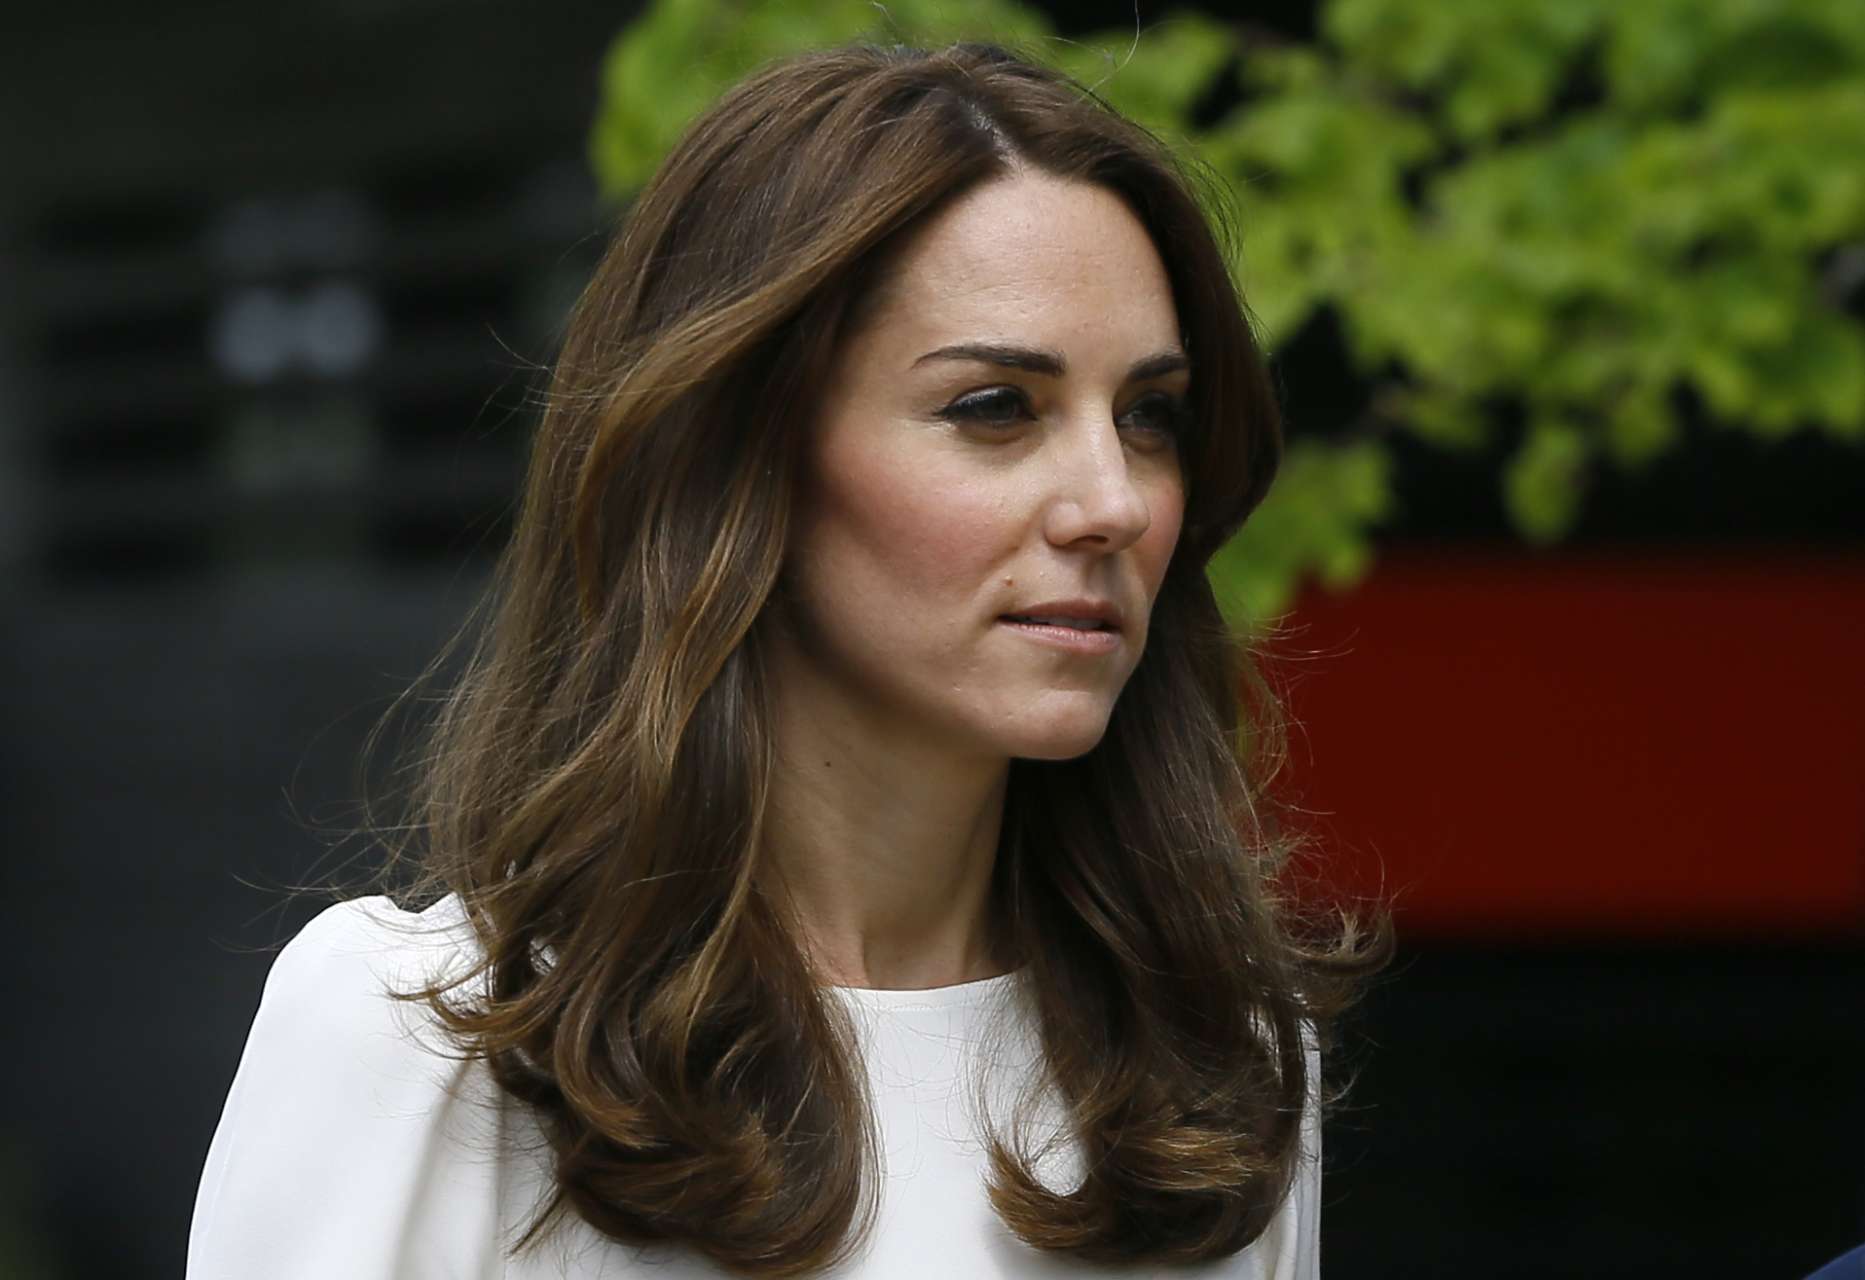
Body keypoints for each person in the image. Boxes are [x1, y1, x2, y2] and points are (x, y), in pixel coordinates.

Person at [186, 40, 1385, 1280]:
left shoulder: (1216, 1065)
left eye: (1148, 416)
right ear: (738, 456)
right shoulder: (432, 1048)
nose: (1113, 502)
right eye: (994, 407)